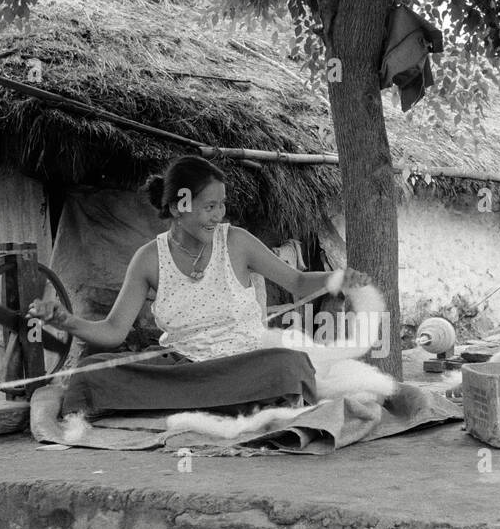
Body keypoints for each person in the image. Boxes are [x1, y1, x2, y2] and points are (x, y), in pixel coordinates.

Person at [29, 155, 350, 416]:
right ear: (176, 208)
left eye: (221, 205)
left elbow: (295, 281)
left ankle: (186, 403)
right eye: (209, 207)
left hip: (243, 364)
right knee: (91, 374)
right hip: (181, 368)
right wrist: (66, 321)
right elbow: (113, 331)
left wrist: (339, 278)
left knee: (289, 366)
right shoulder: (149, 259)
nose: (218, 215)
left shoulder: (237, 242)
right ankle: (217, 402)